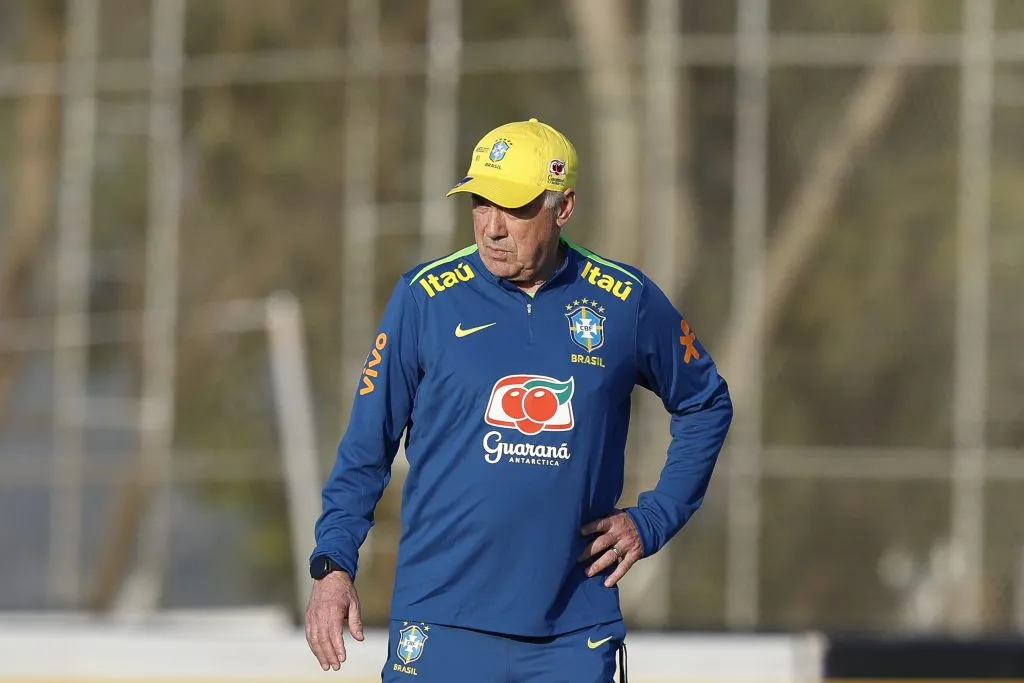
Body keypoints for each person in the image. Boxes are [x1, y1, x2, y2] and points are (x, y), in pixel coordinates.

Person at [305, 118, 733, 682]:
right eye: (481, 203)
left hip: (572, 632)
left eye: (513, 207)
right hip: (441, 622)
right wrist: (333, 565)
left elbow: (706, 403)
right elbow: (366, 447)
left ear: (564, 207)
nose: (492, 227)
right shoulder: (425, 298)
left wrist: (653, 519)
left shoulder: (625, 301)